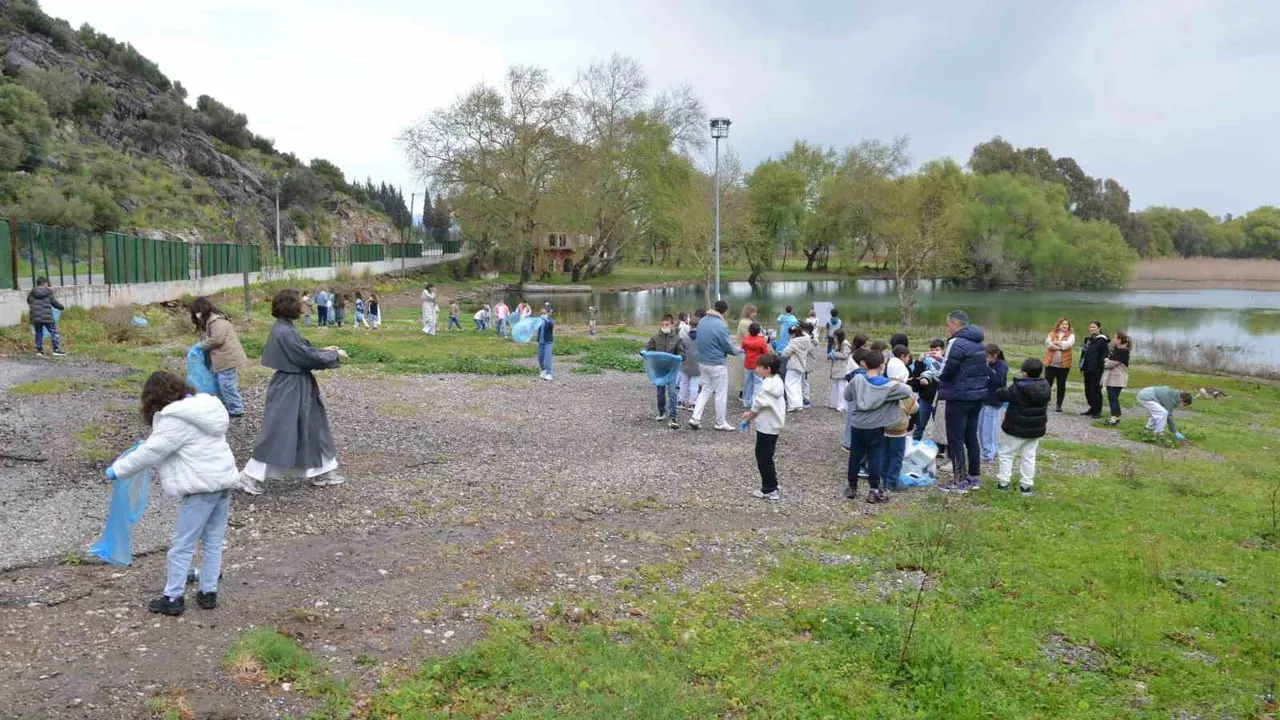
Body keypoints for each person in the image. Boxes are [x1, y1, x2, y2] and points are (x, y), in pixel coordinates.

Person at [106, 371, 239, 616]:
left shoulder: (174, 419)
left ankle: (173, 597)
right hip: (222, 482)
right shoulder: (205, 408)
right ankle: (208, 592)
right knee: (212, 541)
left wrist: (117, 470)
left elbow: (152, 453)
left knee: (182, 545)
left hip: (200, 488)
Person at [240, 290, 348, 495]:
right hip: (290, 386)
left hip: (295, 384)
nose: (303, 305)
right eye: (299, 303)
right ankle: (249, 475)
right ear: (291, 305)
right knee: (279, 431)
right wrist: (332, 354)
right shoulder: (284, 331)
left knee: (312, 427)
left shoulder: (285, 328)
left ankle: (322, 471)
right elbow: (303, 356)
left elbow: (301, 350)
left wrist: (324, 350)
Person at [844, 350, 912, 504]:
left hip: (858, 424)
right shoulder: (888, 385)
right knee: (875, 457)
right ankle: (874, 490)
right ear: (882, 365)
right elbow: (907, 391)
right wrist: (888, 395)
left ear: (864, 364)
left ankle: (852, 487)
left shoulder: (857, 379)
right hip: (875, 426)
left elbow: (847, 396)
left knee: (855, 455)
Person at [937, 310, 988, 493]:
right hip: (976, 395)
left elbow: (947, 370)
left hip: (958, 396)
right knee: (971, 436)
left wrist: (934, 373)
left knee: (955, 439)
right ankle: (973, 477)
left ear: (954, 324)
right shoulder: (978, 341)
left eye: (948, 324)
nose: (947, 328)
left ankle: (959, 481)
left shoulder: (955, 342)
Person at [994, 358, 1051, 494]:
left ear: (1025, 373)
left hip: (1016, 428)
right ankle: (1026, 485)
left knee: (1006, 454)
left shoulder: (1019, 387)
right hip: (1035, 429)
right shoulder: (1045, 385)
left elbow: (1002, 395)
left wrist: (999, 389)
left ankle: (1003, 483)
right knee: (1029, 456)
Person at [191, 297, 249, 418]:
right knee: (217, 382)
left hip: (227, 358)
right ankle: (224, 405)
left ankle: (236, 408)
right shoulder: (207, 322)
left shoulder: (217, 321)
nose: (197, 314)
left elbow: (217, 340)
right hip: (218, 359)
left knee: (226, 384)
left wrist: (199, 346)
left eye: (198, 311)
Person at [689, 300, 741, 431]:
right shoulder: (721, 325)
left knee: (705, 390)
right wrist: (738, 350)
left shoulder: (702, 321)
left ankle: (695, 418)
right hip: (717, 364)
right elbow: (727, 346)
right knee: (721, 393)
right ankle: (720, 422)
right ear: (725, 311)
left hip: (702, 362)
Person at [744, 353, 786, 501]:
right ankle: (773, 482)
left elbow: (758, 404)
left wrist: (749, 417)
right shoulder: (777, 381)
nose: (757, 369)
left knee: (763, 457)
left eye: (759, 367)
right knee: (768, 455)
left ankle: (769, 489)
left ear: (767, 369)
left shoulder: (767, 386)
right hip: (774, 425)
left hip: (766, 426)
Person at [881, 374, 919, 492]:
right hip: (898, 428)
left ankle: (883, 479)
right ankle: (892, 482)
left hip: (882, 426)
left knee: (884, 454)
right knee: (896, 456)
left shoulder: (881, 386)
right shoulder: (904, 390)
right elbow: (914, 408)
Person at [646, 314, 685, 429]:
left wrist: (681, 357)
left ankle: (673, 416)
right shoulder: (655, 338)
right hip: (659, 370)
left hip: (672, 370)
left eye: (666, 324)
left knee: (672, 392)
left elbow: (682, 352)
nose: (664, 326)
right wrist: (643, 352)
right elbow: (648, 349)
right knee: (660, 393)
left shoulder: (677, 339)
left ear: (672, 324)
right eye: (662, 325)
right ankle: (661, 412)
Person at [910, 339, 945, 441]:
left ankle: (941, 449)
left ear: (943, 350)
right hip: (925, 398)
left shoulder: (945, 363)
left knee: (940, 426)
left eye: (937, 349)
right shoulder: (925, 362)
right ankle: (915, 444)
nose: (934, 352)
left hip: (939, 399)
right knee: (920, 424)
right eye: (932, 349)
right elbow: (914, 378)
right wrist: (919, 362)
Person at [979, 344, 1008, 462]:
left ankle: (989, 453)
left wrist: (987, 368)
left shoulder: (1002, 366)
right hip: (982, 400)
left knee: (990, 429)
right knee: (980, 428)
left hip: (994, 401)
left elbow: (998, 381)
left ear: (994, 356)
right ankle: (984, 450)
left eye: (987, 356)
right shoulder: (985, 365)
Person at [27, 276, 66, 357]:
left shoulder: (32, 292)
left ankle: (39, 351)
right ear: (44, 283)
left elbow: (29, 301)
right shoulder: (48, 292)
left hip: (35, 317)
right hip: (47, 317)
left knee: (38, 333)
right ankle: (56, 350)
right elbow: (54, 303)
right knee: (54, 332)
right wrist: (61, 307)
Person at [1043, 318, 1075, 413]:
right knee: (1047, 384)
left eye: (1066, 324)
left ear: (1068, 326)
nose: (1064, 326)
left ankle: (1059, 404)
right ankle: (1045, 401)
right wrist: (1058, 345)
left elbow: (1068, 345)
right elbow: (1048, 344)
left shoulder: (1071, 335)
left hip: (1063, 365)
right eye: (1062, 324)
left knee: (1061, 385)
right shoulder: (1051, 334)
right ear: (1058, 325)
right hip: (1050, 364)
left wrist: (1056, 343)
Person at [1079, 320, 1110, 418]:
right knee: (1088, 390)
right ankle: (1092, 408)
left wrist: (1103, 363)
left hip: (1096, 370)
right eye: (1090, 327)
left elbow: (1105, 354)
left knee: (1096, 390)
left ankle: (1097, 411)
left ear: (1099, 329)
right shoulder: (1088, 340)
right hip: (1087, 368)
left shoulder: (1102, 340)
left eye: (1094, 327)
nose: (1091, 329)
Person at [780, 325, 814, 412]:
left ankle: (792, 405)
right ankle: (799, 405)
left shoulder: (794, 342)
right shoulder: (806, 338)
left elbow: (786, 353)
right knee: (797, 385)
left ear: (793, 334)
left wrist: (780, 351)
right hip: (802, 365)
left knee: (789, 384)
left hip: (793, 365)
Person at [1102, 331, 1132, 426]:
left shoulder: (1122, 352)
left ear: (1119, 340)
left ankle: (1114, 417)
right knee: (1112, 397)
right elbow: (1109, 359)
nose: (1113, 340)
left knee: (1113, 398)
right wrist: (1107, 359)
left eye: (1115, 338)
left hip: (1117, 379)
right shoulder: (1116, 350)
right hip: (1113, 378)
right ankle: (1116, 417)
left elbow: (1109, 364)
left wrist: (1106, 360)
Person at [741, 322, 770, 409]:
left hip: (748, 363)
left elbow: (744, 349)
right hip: (758, 364)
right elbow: (765, 352)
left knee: (747, 382)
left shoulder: (746, 339)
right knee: (758, 383)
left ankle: (746, 401)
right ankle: (755, 401)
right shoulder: (761, 341)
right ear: (758, 331)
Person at [677, 314, 701, 409]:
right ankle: (692, 403)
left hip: (685, 363)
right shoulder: (702, 338)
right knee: (694, 384)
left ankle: (681, 401)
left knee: (683, 383)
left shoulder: (685, 338)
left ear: (689, 325)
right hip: (696, 364)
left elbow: (681, 349)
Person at [827, 329, 853, 411]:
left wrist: (835, 354)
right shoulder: (838, 344)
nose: (834, 339)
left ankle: (842, 405)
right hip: (837, 368)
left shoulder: (845, 344)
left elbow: (845, 355)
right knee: (835, 386)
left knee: (841, 388)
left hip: (842, 368)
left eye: (835, 337)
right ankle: (833, 403)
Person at [536, 305, 556, 381]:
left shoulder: (550, 320)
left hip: (548, 342)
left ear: (548, 313)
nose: (542, 314)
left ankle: (549, 374)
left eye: (544, 313)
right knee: (540, 358)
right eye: (541, 313)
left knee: (547, 358)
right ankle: (543, 370)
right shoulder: (540, 320)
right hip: (541, 342)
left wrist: (546, 319)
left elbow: (552, 325)